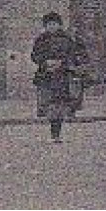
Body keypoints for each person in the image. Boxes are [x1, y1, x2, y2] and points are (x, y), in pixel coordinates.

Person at [31, 12, 85, 142]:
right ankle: (53, 130)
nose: (52, 27)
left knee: (59, 105)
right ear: (45, 26)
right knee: (48, 104)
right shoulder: (41, 40)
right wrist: (45, 62)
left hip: (62, 76)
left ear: (59, 25)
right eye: (49, 24)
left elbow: (74, 55)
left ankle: (56, 133)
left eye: (54, 24)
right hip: (46, 76)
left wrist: (62, 63)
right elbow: (34, 55)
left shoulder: (67, 39)